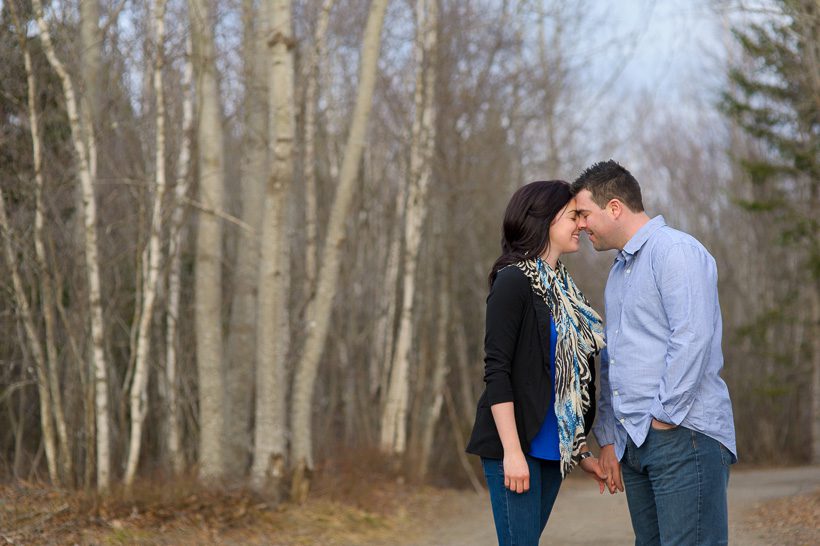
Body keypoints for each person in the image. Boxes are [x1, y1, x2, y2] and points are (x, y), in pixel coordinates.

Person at [572, 160, 737, 545]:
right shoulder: (619, 272)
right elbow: (616, 361)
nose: (579, 224)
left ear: (614, 207)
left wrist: (662, 418)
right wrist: (611, 438)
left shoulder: (676, 251)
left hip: (684, 435)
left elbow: (692, 338)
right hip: (636, 445)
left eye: (583, 213)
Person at [466, 180, 608, 546]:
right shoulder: (513, 282)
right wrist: (512, 453)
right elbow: (496, 370)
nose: (581, 223)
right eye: (573, 215)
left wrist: (581, 451)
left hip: (552, 451)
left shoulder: (564, 291)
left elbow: (565, 383)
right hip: (517, 448)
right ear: (544, 220)